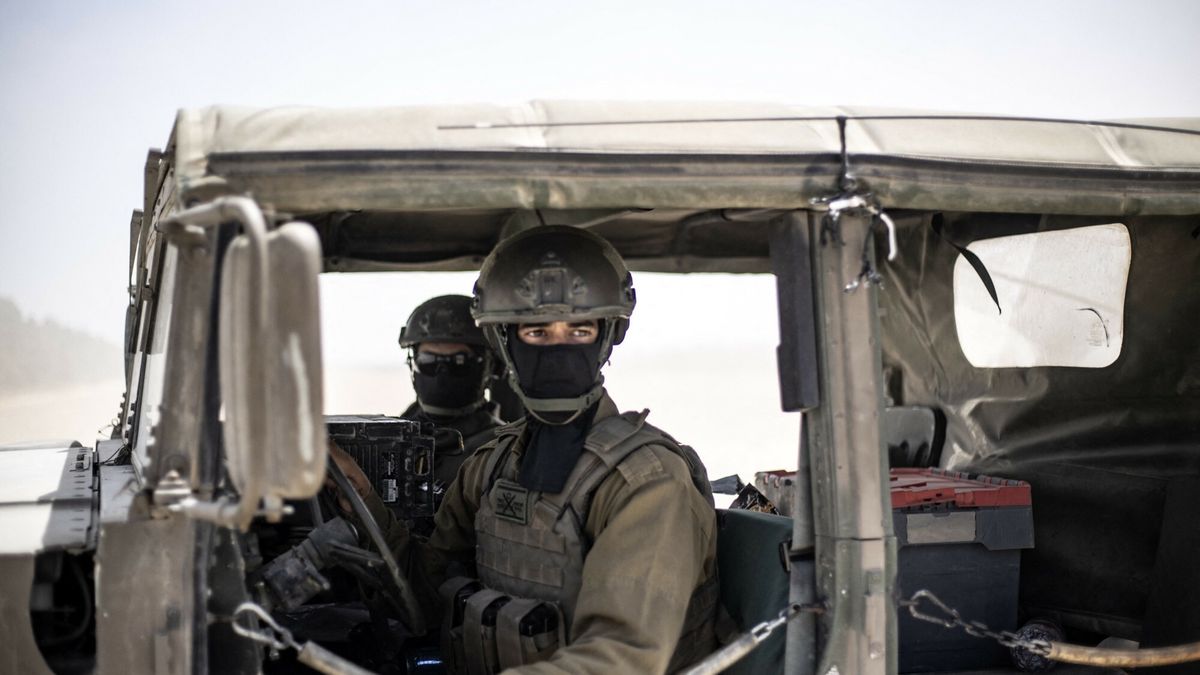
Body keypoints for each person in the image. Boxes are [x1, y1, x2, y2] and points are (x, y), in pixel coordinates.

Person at [332, 226, 719, 674]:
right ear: (504, 341)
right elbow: (425, 596)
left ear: (608, 335)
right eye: (536, 332)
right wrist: (360, 499)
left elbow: (620, 659)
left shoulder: (647, 480)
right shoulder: (492, 466)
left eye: (579, 330)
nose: (557, 348)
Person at [397, 294, 504, 487]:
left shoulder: (502, 451)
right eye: (429, 361)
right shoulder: (389, 438)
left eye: (458, 361)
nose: (441, 372)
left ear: (490, 368)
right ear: (413, 364)